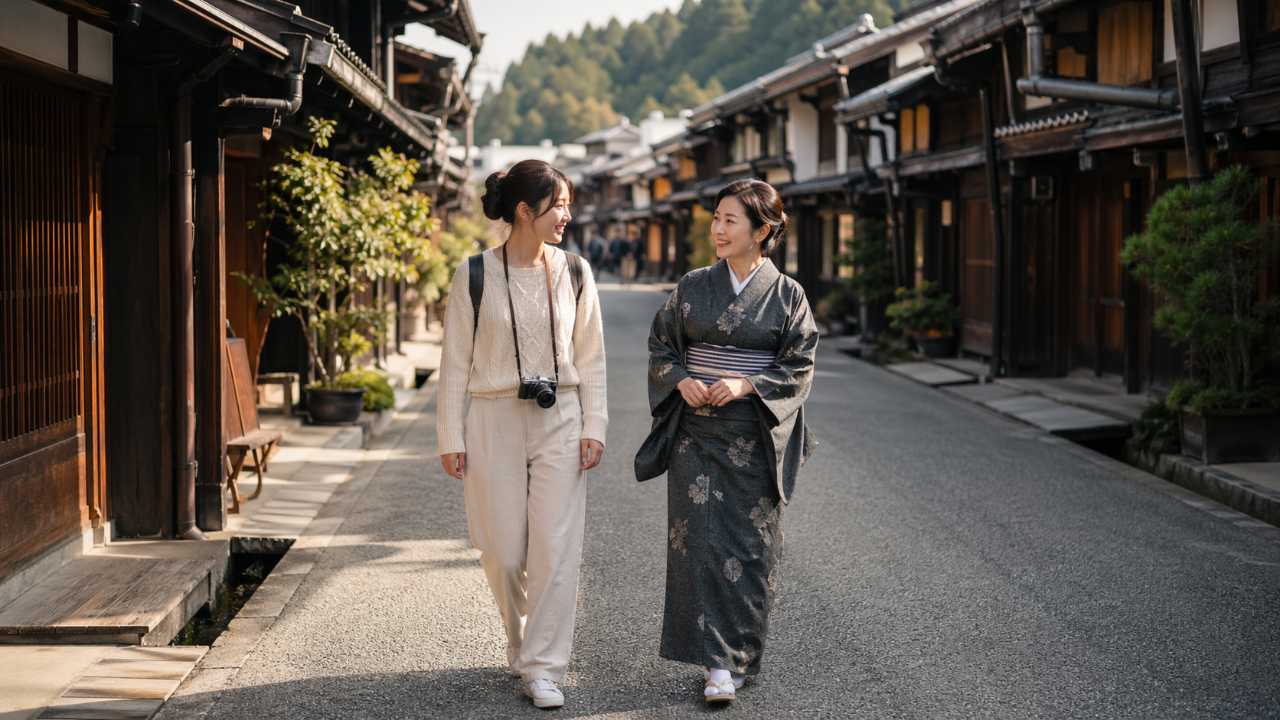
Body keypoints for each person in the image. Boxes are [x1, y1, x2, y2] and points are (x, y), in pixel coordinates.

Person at [637, 178, 818, 705]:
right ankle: (716, 664)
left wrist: (746, 384)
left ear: (761, 231)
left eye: (729, 220)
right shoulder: (693, 285)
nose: (717, 229)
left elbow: (800, 363)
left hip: (754, 437)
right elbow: (662, 345)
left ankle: (736, 656)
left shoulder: (788, 295)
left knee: (749, 547)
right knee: (697, 544)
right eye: (716, 218)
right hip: (695, 436)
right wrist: (680, 380)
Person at [436, 160, 607, 710]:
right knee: (505, 552)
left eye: (569, 204)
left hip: (562, 416)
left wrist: (595, 424)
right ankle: (521, 641)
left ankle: (544, 667)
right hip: (493, 418)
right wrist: (450, 435)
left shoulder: (576, 271)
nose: (567, 215)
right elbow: (454, 361)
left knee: (556, 549)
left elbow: (592, 357)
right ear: (525, 211)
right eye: (559, 205)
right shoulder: (474, 274)